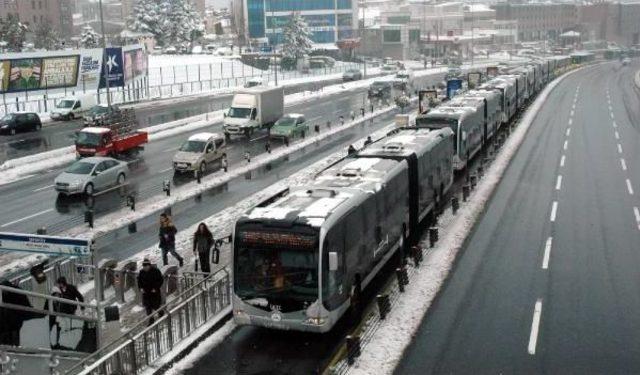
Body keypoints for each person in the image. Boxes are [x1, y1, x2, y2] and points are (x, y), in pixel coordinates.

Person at [0, 280, 34, 346]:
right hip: (17, 316)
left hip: (18, 316)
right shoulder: (13, 291)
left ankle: (10, 344)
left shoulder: (13, 292)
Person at [137, 259, 164, 325]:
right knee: (147, 307)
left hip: (154, 292)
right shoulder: (141, 272)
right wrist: (140, 288)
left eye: (146, 265)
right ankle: (151, 320)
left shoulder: (156, 271)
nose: (145, 267)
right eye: (144, 265)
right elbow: (139, 281)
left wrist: (156, 288)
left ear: (149, 265)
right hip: (146, 293)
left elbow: (160, 280)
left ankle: (161, 312)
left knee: (155, 306)